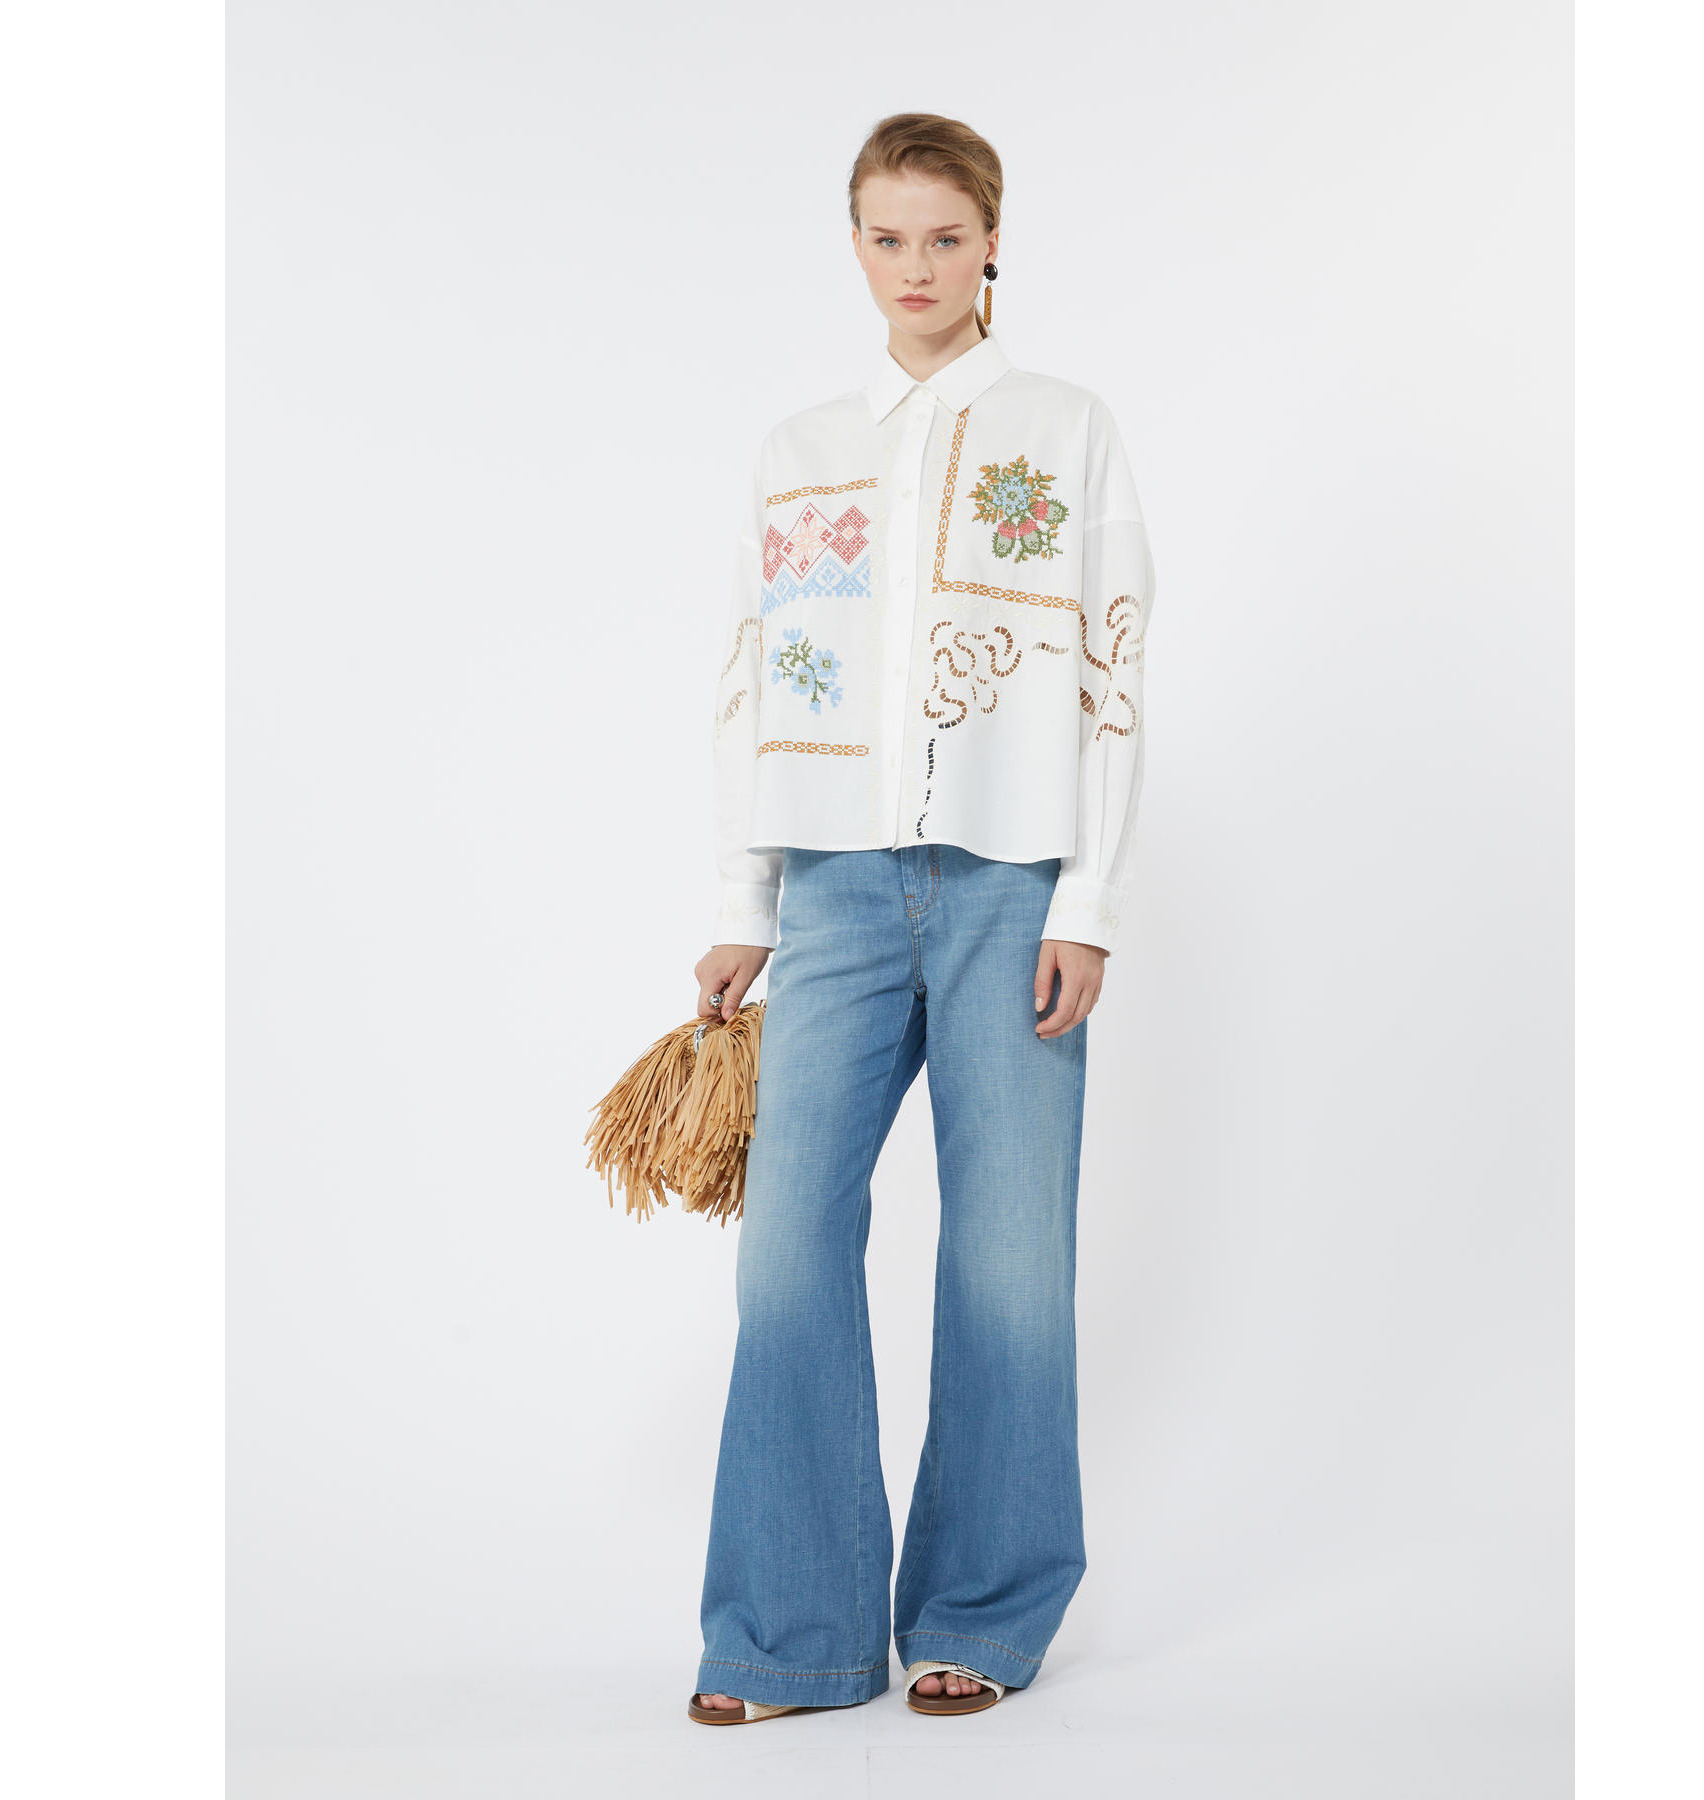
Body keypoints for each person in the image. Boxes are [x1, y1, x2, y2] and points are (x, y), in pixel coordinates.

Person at [688, 112, 1154, 1724]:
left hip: (1012, 886)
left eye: (945, 237)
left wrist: (1087, 898)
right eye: (887, 238)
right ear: (856, 246)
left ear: (993, 242)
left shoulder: (1066, 430)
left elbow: (1113, 664)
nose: (916, 267)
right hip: (829, 891)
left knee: (1011, 1260)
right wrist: (745, 896)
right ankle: (790, 1631)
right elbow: (755, 669)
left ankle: (984, 1609)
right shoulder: (800, 448)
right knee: (786, 1249)